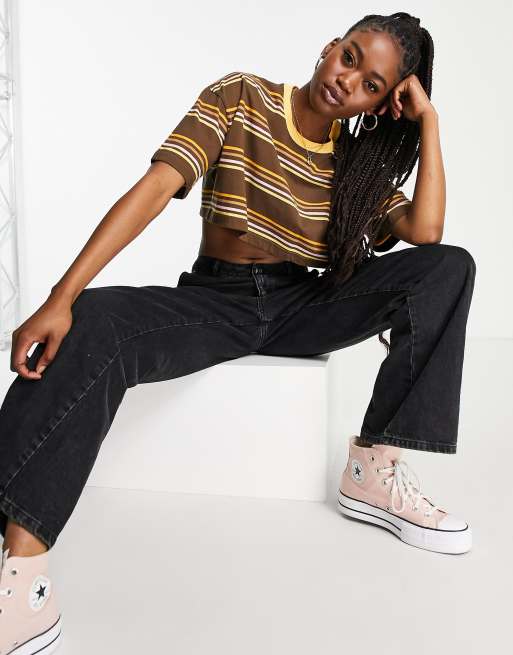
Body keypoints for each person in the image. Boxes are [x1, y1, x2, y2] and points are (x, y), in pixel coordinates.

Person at [0, 11, 476, 654]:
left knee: (449, 268)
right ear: (330, 47)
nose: (349, 80)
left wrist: (430, 121)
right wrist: (61, 297)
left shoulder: (355, 165)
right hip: (216, 301)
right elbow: (155, 188)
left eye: (371, 84)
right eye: (350, 57)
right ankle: (22, 575)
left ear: (379, 104)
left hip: (303, 304)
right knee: (92, 322)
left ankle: (374, 465)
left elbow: (426, 232)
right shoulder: (242, 97)